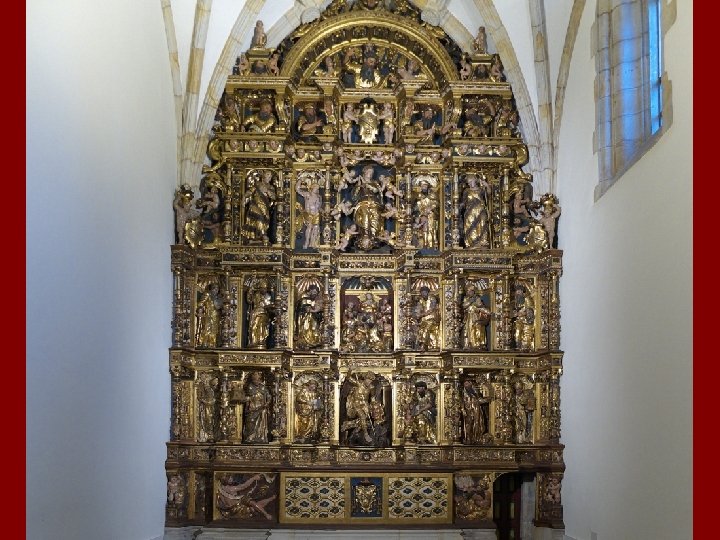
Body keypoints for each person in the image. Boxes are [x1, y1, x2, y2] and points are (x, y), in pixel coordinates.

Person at [350, 165, 384, 250]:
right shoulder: (360, 183)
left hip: (374, 203)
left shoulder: (375, 183)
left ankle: (374, 237)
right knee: (364, 217)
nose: (370, 174)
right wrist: (359, 186)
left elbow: (377, 191)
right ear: (364, 172)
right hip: (363, 203)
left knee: (375, 218)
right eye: (369, 172)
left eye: (371, 173)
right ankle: (364, 235)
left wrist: (367, 185)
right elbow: (354, 197)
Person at [243, 170, 277, 245]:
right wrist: (244, 197)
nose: (269, 178)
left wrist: (267, 191)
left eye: (270, 176)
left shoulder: (270, 187)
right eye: (268, 175)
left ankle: (259, 235)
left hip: (265, 206)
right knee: (259, 218)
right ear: (263, 176)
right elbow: (250, 191)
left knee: (265, 219)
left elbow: (274, 197)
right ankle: (261, 235)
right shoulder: (257, 184)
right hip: (255, 205)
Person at [238, 371, 272, 443]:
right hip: (252, 409)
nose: (256, 377)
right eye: (255, 375)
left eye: (258, 376)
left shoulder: (263, 387)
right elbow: (244, 397)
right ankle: (249, 437)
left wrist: (267, 403)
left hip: (261, 408)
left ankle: (261, 437)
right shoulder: (248, 386)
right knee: (250, 422)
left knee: (261, 421)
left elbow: (269, 396)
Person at [461, 173, 491, 248]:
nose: (470, 184)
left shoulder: (481, 189)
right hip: (470, 212)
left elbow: (489, 193)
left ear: (475, 180)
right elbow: (464, 202)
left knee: (483, 224)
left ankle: (483, 241)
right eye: (469, 183)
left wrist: (486, 185)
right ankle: (471, 243)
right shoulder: (466, 191)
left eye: (471, 181)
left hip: (480, 210)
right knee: (470, 226)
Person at [462, 284, 491, 349]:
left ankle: (478, 344)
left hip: (476, 316)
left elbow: (480, 305)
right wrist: (470, 301)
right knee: (469, 330)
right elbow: (464, 306)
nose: (469, 293)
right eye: (468, 291)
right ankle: (470, 343)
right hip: (469, 317)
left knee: (477, 329)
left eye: (471, 291)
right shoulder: (466, 298)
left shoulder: (477, 298)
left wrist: (475, 302)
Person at [461, 379, 490, 444]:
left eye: (467, 384)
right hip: (468, 412)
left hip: (476, 410)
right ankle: (468, 438)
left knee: (477, 423)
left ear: (471, 384)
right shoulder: (463, 394)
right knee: (468, 425)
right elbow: (461, 403)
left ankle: (477, 438)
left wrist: (487, 400)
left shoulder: (475, 394)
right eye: (465, 384)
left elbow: (479, 400)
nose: (466, 386)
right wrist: (463, 410)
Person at [295, 285, 324, 349]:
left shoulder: (312, 300)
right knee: (306, 329)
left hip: (311, 317)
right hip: (305, 317)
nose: (315, 294)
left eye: (316, 293)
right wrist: (314, 310)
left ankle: (313, 341)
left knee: (314, 328)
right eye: (314, 292)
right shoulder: (304, 298)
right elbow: (305, 309)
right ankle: (306, 342)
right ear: (310, 290)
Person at [295, 181, 322, 249]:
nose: (317, 190)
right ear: (312, 188)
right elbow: (297, 189)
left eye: (318, 188)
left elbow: (319, 207)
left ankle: (312, 243)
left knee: (316, 228)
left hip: (316, 214)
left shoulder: (319, 197)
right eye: (316, 188)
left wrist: (324, 212)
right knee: (309, 227)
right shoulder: (307, 194)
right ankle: (307, 241)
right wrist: (299, 180)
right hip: (309, 213)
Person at [246, 284, 273, 349]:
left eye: (265, 288)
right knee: (253, 326)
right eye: (262, 288)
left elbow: (268, 306)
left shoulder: (268, 296)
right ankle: (253, 341)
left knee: (261, 325)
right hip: (255, 313)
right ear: (260, 288)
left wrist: (269, 306)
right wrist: (249, 292)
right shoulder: (256, 295)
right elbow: (249, 301)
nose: (264, 290)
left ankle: (261, 340)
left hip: (264, 313)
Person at [414, 181, 438, 249]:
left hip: (431, 215)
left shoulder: (432, 195)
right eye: (422, 186)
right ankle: (424, 245)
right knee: (423, 230)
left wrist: (431, 208)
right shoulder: (418, 196)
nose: (424, 187)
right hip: (422, 216)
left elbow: (436, 204)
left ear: (428, 187)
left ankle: (431, 245)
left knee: (431, 230)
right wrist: (420, 211)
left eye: (425, 186)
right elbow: (415, 208)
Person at [196, 283, 221, 347]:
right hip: (208, 315)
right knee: (206, 329)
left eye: (217, 288)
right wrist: (200, 310)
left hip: (216, 316)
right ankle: (204, 343)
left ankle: (213, 344)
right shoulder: (207, 294)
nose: (216, 290)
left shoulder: (218, 297)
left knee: (214, 330)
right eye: (214, 288)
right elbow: (201, 303)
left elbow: (219, 306)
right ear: (211, 289)